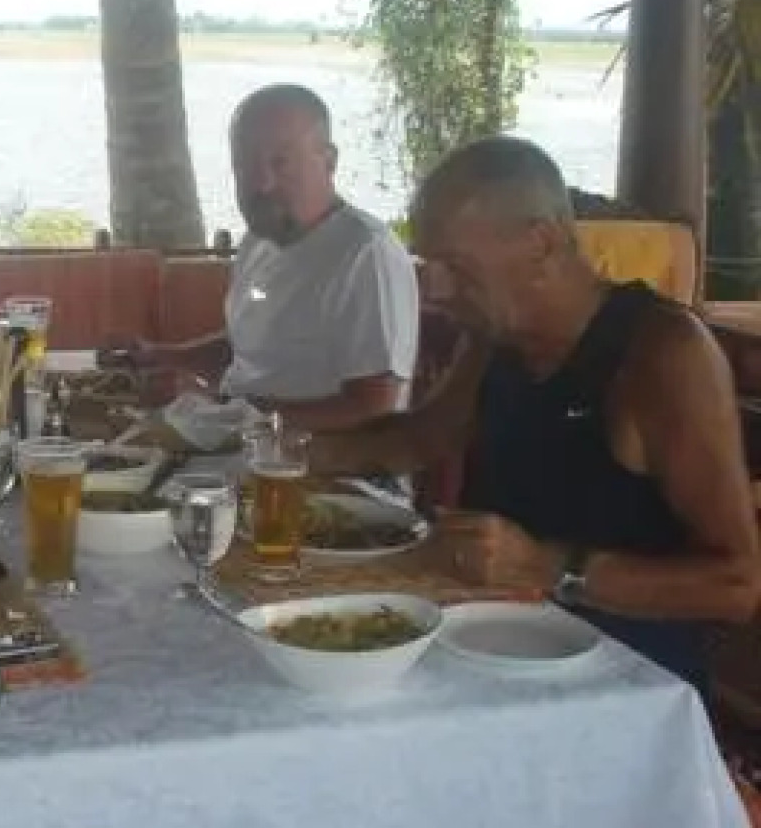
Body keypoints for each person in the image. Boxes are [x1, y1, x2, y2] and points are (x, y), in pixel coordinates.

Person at [307, 136, 761, 688]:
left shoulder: (661, 354)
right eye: (429, 265)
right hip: (486, 652)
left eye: (455, 266)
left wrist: (554, 569)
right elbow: (422, 437)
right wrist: (282, 449)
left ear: (541, 242)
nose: (437, 291)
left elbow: (739, 585)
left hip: (621, 682)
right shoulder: (494, 333)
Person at [120, 84, 419, 430]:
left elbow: (374, 409)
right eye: (245, 165)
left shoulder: (366, 255)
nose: (262, 183)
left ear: (329, 160)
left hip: (326, 471)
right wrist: (162, 356)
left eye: (281, 162)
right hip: (241, 447)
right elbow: (251, 348)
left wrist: (222, 408)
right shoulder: (258, 241)